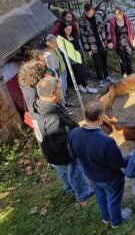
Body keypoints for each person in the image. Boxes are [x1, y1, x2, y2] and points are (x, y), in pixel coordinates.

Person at [68, 100, 132, 228]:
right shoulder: (106, 142)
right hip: (110, 178)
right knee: (113, 198)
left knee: (100, 195)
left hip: (91, 175)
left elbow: (73, 155)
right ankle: (116, 221)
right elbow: (118, 163)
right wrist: (130, 157)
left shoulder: (73, 133)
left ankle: (105, 217)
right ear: (100, 118)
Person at [32, 77, 93, 206]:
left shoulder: (38, 106)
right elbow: (61, 144)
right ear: (52, 94)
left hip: (50, 154)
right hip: (64, 156)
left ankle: (68, 188)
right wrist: (77, 148)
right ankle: (83, 195)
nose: (62, 90)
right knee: (75, 174)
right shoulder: (53, 119)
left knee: (63, 173)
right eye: (60, 89)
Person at [79, 3, 114, 87]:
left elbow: (107, 28)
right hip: (92, 46)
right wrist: (88, 49)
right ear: (85, 12)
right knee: (97, 63)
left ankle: (106, 76)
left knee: (104, 61)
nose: (89, 14)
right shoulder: (82, 21)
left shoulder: (100, 16)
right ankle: (100, 79)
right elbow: (83, 36)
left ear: (93, 10)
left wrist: (109, 41)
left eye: (90, 12)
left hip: (103, 43)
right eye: (87, 13)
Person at [58, 22, 98, 94]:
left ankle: (81, 86)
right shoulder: (61, 39)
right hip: (71, 60)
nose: (69, 31)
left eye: (70, 29)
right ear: (63, 30)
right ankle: (86, 87)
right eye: (67, 29)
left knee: (81, 72)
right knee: (78, 73)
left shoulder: (74, 36)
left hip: (78, 57)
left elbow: (79, 47)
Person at [43, 34, 70, 107]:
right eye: (54, 42)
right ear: (49, 44)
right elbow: (51, 68)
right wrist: (56, 78)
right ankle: (63, 105)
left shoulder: (55, 48)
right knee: (60, 90)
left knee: (64, 88)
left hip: (62, 69)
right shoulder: (47, 54)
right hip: (57, 74)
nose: (56, 44)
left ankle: (65, 102)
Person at [109, 6, 134, 78]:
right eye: (115, 14)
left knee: (129, 57)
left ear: (122, 14)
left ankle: (130, 72)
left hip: (127, 41)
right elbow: (111, 32)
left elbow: (130, 32)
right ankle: (124, 73)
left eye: (117, 14)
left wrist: (132, 40)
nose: (116, 16)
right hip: (118, 42)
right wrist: (111, 42)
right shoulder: (112, 21)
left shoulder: (127, 20)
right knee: (122, 58)